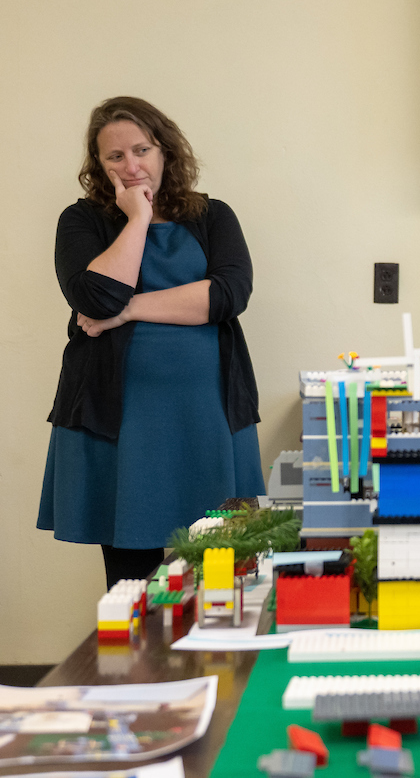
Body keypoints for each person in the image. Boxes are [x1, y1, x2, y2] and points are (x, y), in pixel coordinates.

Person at [39, 96, 265, 589]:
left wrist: (130, 308)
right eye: (114, 157)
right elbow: (96, 295)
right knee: (131, 581)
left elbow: (228, 294)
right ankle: (139, 667)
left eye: (141, 150)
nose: (131, 165)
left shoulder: (213, 215)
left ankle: (218, 664)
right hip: (116, 419)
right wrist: (137, 219)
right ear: (98, 165)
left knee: (222, 572)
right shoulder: (81, 221)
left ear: (165, 150)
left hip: (208, 413)